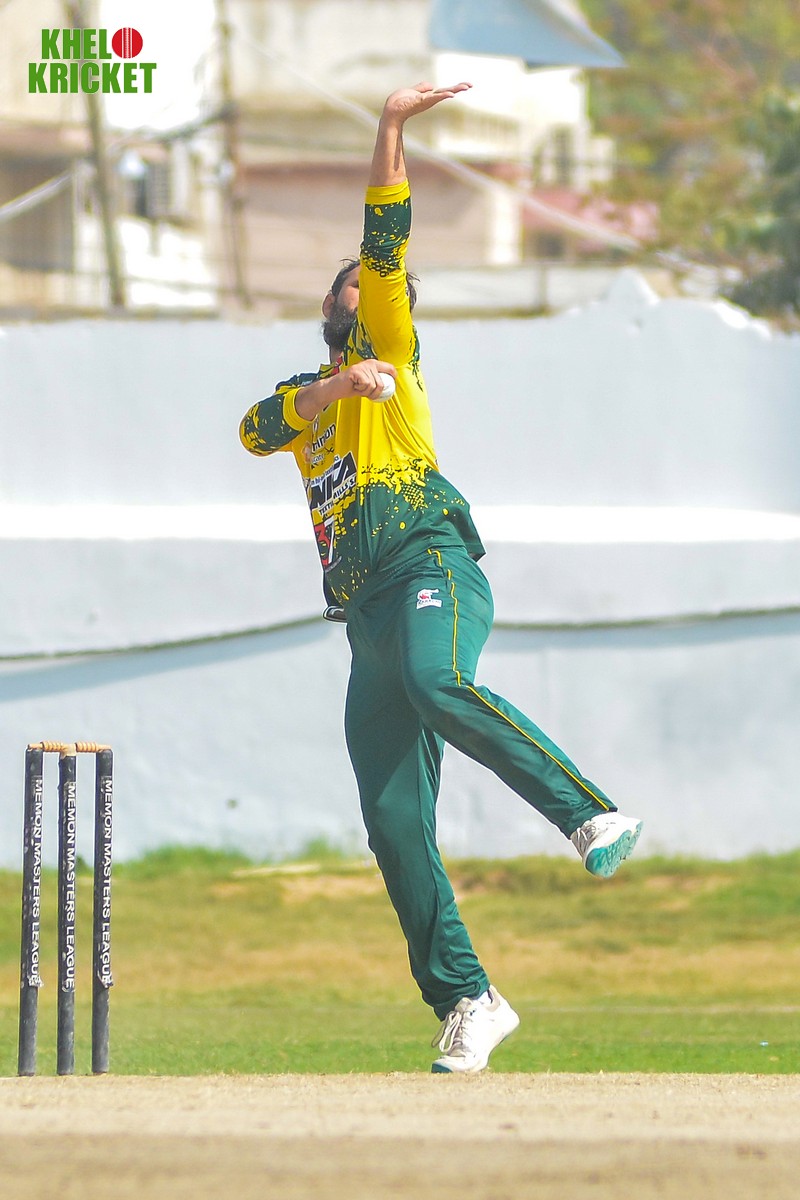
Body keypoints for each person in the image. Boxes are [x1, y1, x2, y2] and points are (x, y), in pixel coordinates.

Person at [239, 82, 642, 1074]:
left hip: (431, 565)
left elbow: (385, 238)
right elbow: (252, 428)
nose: (364, 292)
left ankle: (586, 811)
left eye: (374, 291)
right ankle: (467, 998)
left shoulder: (395, 355)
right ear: (324, 311)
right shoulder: (307, 400)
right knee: (390, 823)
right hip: (363, 617)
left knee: (437, 680)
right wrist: (337, 385)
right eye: (348, 288)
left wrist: (389, 128)